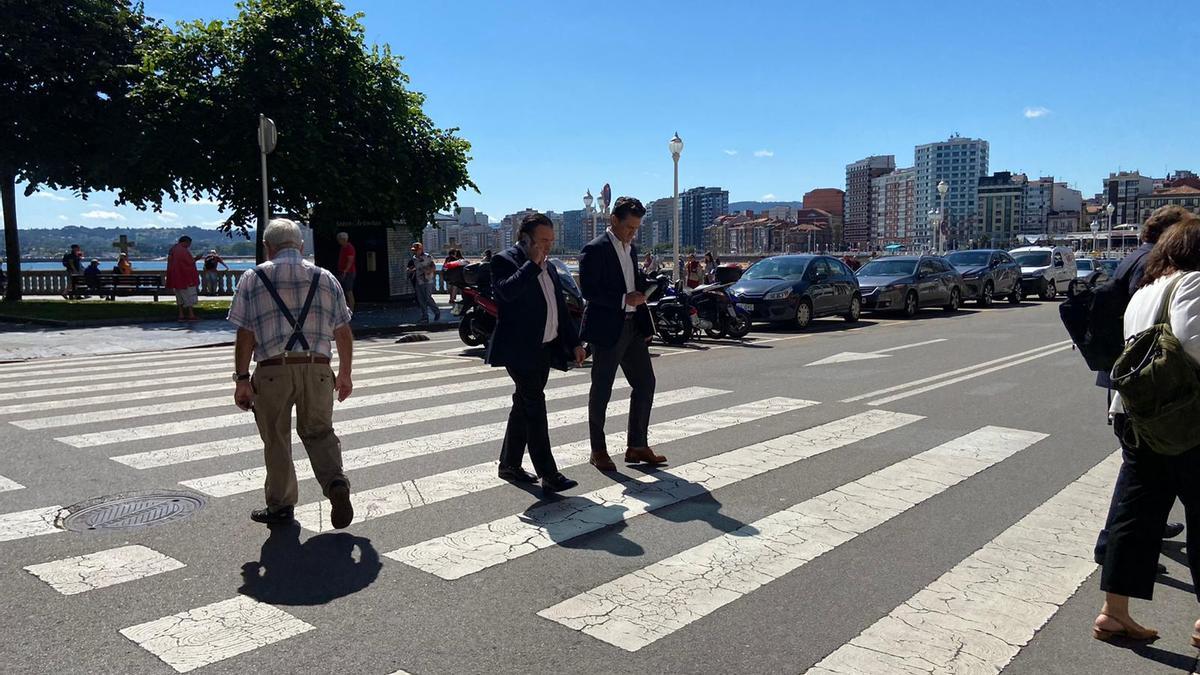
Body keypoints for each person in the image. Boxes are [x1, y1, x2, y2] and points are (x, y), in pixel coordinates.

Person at [1093, 215, 1200, 645]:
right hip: (1183, 421)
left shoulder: (1147, 288)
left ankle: (1113, 612)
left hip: (1136, 415)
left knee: (1135, 515)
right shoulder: (1191, 284)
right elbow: (1194, 345)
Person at [228, 218, 355, 528]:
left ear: (268, 248)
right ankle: (335, 483)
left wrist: (242, 379)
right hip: (318, 369)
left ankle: (282, 505)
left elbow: (245, 335)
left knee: (277, 439)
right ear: (301, 246)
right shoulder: (326, 278)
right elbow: (343, 332)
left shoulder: (252, 278)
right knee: (319, 432)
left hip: (273, 371)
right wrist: (345, 374)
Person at [485, 213, 586, 493]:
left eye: (551, 241)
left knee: (524, 405)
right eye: (543, 241)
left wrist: (575, 342)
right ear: (526, 239)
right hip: (519, 350)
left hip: (544, 348)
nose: (548, 246)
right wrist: (531, 264)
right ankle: (549, 473)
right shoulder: (505, 261)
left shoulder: (551, 267)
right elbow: (505, 294)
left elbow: (560, 310)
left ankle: (509, 464)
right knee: (534, 406)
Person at [580, 196, 665, 471]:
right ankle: (598, 449)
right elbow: (589, 291)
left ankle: (637, 445)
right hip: (606, 328)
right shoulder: (594, 250)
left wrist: (646, 290)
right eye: (629, 227)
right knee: (602, 389)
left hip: (632, 327)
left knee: (645, 383)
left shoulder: (631, 249)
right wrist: (623, 299)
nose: (632, 233)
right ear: (614, 220)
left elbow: (633, 283)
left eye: (637, 228)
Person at [166, 235, 203, 321]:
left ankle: (181, 314)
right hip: (185, 278)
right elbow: (189, 263)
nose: (189, 245)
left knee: (179, 298)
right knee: (189, 296)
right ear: (185, 242)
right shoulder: (183, 251)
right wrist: (197, 258)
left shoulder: (173, 249)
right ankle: (191, 315)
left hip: (176, 277)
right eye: (189, 243)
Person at [406, 242, 439, 323]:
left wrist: (427, 270)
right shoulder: (414, 258)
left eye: (416, 250)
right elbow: (414, 268)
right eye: (413, 250)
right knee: (421, 299)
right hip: (418, 280)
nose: (415, 252)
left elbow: (433, 267)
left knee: (427, 298)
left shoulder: (427, 257)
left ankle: (436, 311)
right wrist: (410, 270)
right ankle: (425, 316)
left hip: (428, 280)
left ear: (421, 249)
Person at [336, 232, 357, 312]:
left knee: (349, 291)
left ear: (343, 239)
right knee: (342, 290)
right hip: (343, 272)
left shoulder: (349, 247)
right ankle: (347, 307)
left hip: (348, 273)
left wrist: (345, 271)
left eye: (339, 239)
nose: (338, 241)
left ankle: (351, 310)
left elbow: (350, 260)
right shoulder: (343, 247)